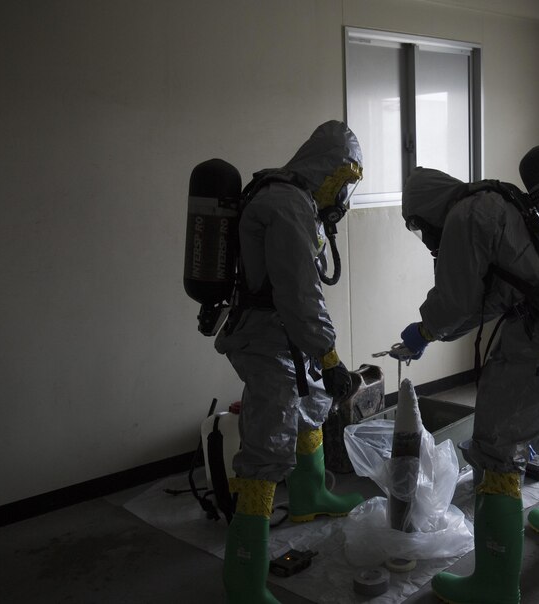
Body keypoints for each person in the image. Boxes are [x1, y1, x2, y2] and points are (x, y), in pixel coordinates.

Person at [395, 167, 539, 604]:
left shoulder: (463, 216)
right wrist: (436, 330)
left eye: (418, 224)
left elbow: (457, 299)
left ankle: (493, 586)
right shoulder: (501, 201)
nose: (422, 233)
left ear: (427, 207)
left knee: (495, 453)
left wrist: (424, 329)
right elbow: (496, 293)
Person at [213, 120, 365, 604]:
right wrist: (331, 356)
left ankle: (309, 496)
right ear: (327, 169)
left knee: (311, 405)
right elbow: (300, 295)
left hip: (286, 338)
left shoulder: (298, 202)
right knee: (265, 449)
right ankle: (243, 584)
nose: (343, 193)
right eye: (343, 181)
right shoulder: (287, 205)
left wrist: (319, 358)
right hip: (268, 340)